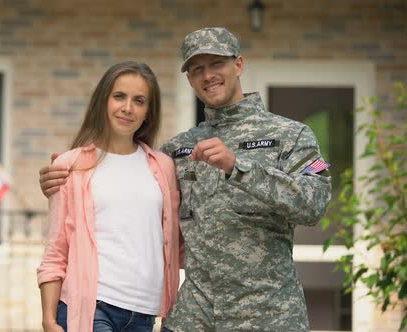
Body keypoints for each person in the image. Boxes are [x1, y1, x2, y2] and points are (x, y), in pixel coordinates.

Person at [38, 27, 332, 332]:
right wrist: (61, 180)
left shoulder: (293, 135)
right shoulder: (176, 151)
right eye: (197, 69)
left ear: (239, 65)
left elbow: (316, 204)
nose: (208, 75)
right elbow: (133, 206)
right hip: (193, 316)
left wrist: (239, 168)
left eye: (217, 64)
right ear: (190, 79)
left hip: (269, 316)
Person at [36, 61, 182, 332]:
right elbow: (56, 249)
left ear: (148, 112)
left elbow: (174, 241)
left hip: (145, 312)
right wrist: (48, 319)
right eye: (119, 96)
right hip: (91, 306)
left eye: (139, 100)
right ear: (103, 101)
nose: (127, 108)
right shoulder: (70, 165)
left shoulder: (163, 167)